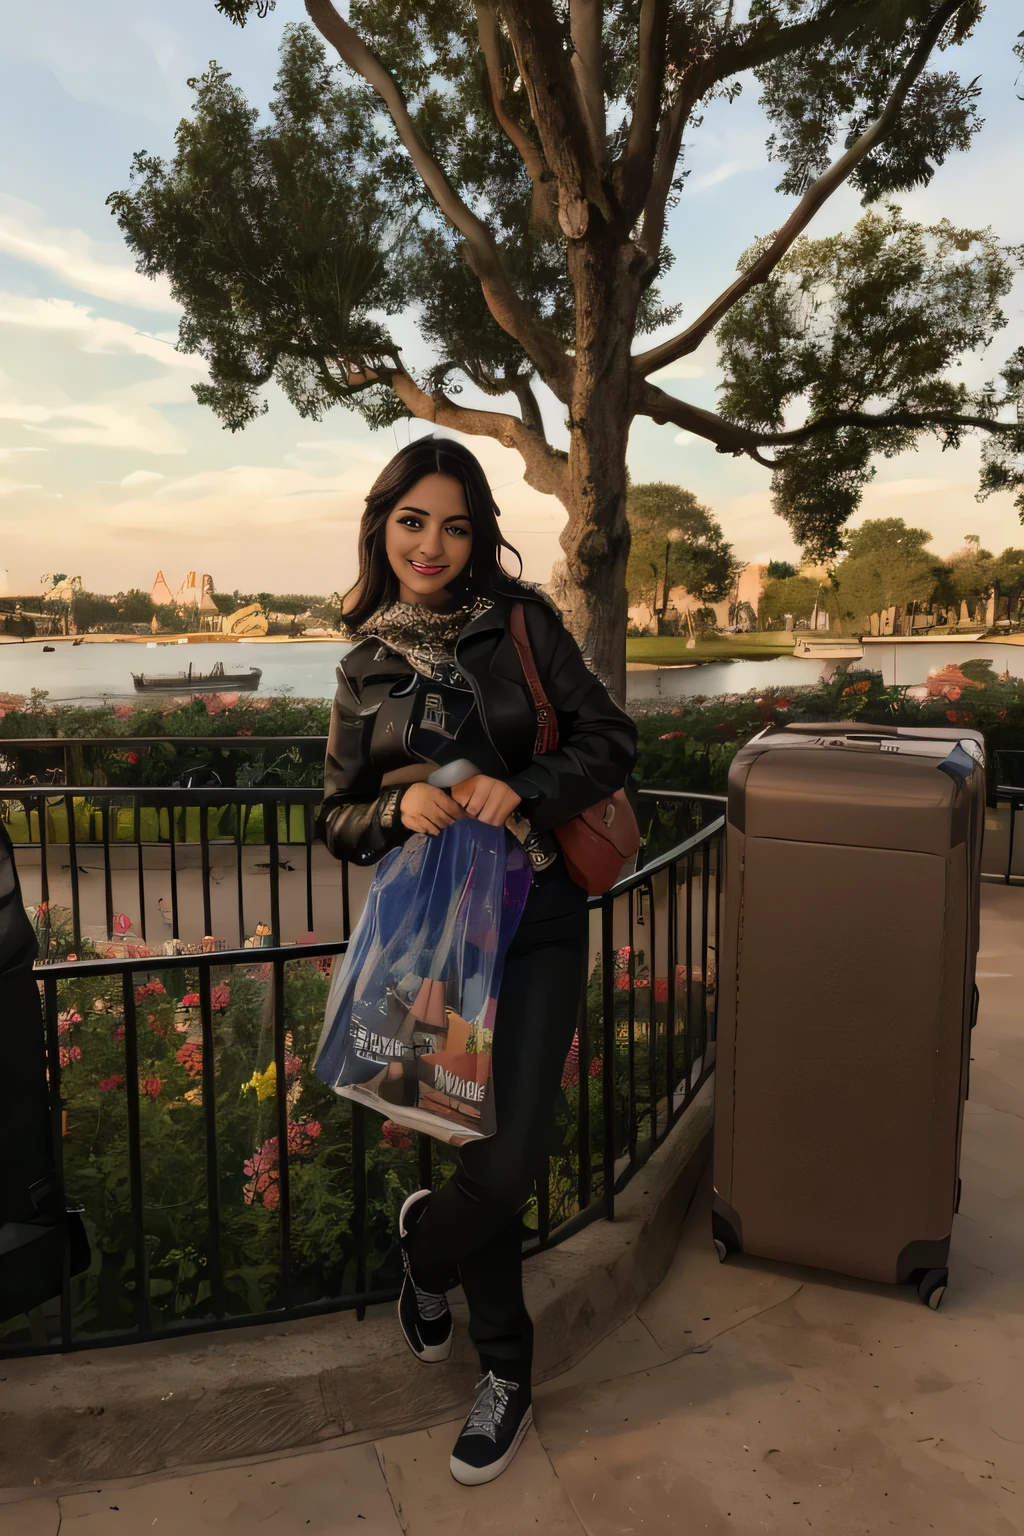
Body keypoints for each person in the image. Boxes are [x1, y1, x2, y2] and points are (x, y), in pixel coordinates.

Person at [317, 435, 637, 1485]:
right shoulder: (364, 665)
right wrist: (393, 809)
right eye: (413, 520)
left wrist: (528, 788)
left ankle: (423, 1249)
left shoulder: (525, 624)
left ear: (477, 533)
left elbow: (611, 741)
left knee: (506, 1160)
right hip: (433, 935)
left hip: (536, 915)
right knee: (475, 1135)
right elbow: (334, 818)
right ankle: (505, 1369)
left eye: (455, 524)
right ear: (383, 525)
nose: (432, 544)